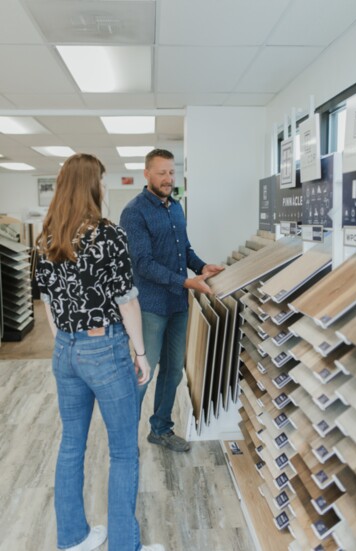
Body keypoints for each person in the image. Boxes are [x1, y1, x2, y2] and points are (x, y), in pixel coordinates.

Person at [36, 153, 164, 551]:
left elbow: (49, 305)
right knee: (124, 450)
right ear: (91, 185)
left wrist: (68, 339)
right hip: (104, 348)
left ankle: (73, 537)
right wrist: (140, 354)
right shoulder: (108, 234)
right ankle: (125, 545)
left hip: (66, 349)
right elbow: (127, 301)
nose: (105, 187)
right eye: (103, 181)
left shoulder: (46, 238)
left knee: (72, 442)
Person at [120, 149, 223, 453]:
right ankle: (124, 439)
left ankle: (161, 429)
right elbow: (142, 263)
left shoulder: (176, 207)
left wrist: (201, 267)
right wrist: (184, 281)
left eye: (171, 172)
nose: (167, 178)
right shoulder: (134, 212)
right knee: (144, 372)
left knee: (173, 371)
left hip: (178, 305)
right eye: (161, 172)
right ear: (147, 174)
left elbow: (184, 250)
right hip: (150, 307)